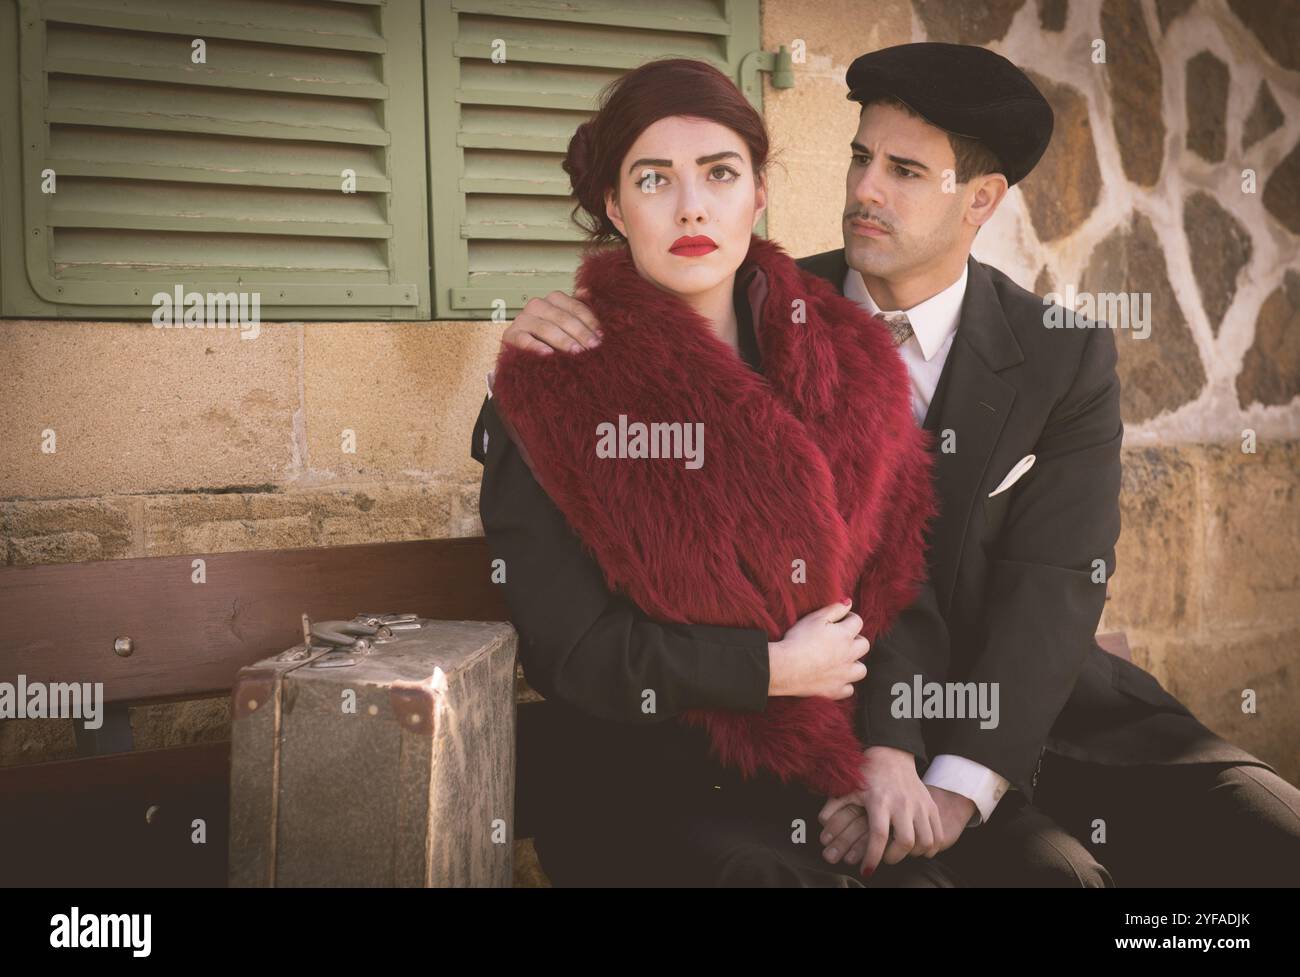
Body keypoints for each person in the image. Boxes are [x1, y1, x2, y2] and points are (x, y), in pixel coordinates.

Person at [480, 42, 1300, 887]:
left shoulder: (1062, 357)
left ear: (980, 200)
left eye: (905, 170)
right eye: (860, 158)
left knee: (1264, 842)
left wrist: (944, 777)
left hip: (1024, 716)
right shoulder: (767, 309)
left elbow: (1050, 583)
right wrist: (556, 342)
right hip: (781, 750)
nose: (867, 190)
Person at [475, 56, 959, 887]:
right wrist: (768, 669)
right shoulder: (551, 387)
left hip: (828, 771)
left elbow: (901, 583)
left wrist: (888, 752)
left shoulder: (848, 356)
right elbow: (575, 653)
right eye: (653, 179)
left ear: (759, 192)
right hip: (645, 782)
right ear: (614, 206)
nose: (691, 204)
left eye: (719, 173)